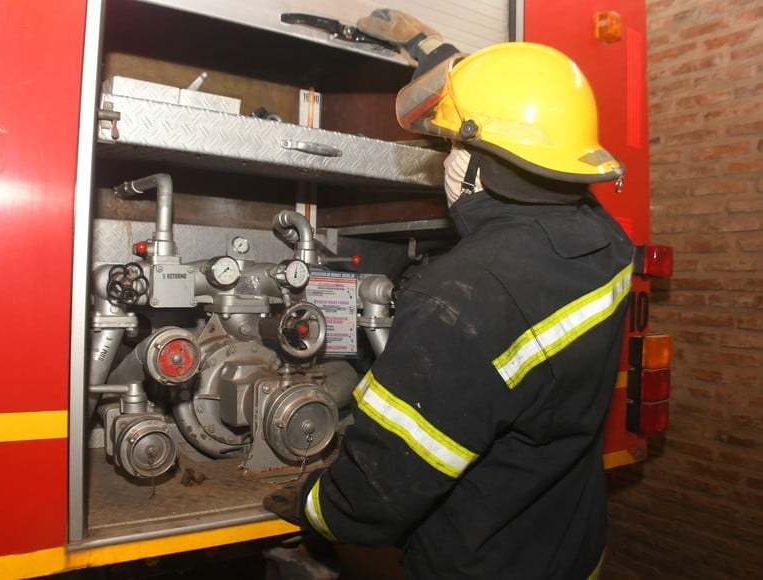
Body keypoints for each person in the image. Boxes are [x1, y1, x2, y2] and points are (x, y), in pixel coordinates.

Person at [264, 9, 634, 579]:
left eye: (447, 148)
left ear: (474, 164)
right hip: (571, 553)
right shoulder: (606, 243)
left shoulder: (464, 299)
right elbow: (530, 119)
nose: (442, 163)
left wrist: (315, 508)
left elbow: (380, 492)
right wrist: (433, 50)